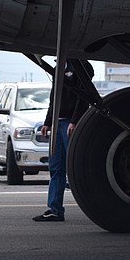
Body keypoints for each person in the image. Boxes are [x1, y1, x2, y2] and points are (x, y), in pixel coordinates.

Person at [34, 58, 93, 222]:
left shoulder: (82, 66)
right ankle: (55, 209)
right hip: (57, 123)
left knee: (77, 167)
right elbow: (54, 96)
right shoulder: (59, 67)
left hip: (69, 122)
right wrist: (47, 121)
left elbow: (83, 96)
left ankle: (97, 206)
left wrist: (75, 120)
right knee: (56, 168)